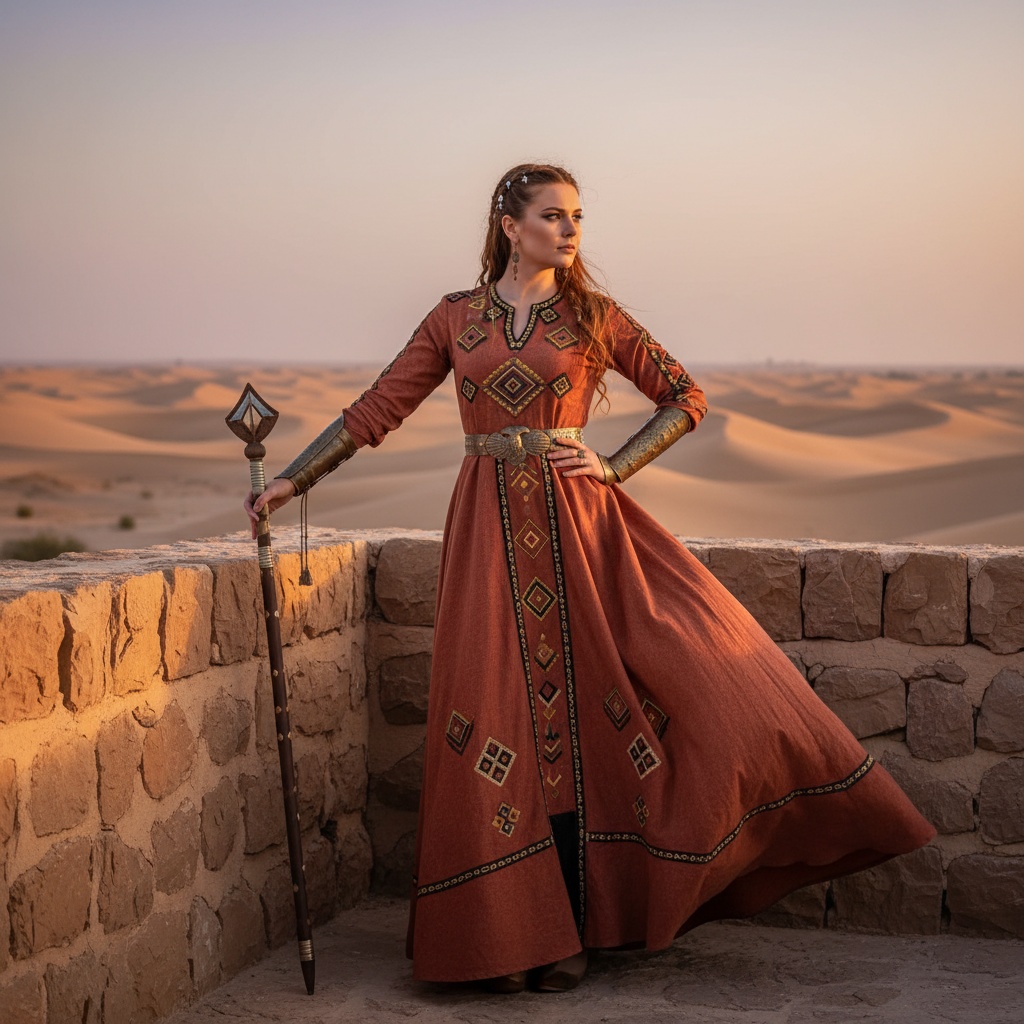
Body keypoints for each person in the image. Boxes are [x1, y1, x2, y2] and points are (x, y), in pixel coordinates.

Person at [246, 163, 935, 993]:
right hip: (485, 538)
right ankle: (501, 937)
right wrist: (291, 481)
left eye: (578, 217)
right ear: (510, 226)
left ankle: (576, 929)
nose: (571, 231)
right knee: (491, 715)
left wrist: (613, 466)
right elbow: (376, 409)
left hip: (583, 532)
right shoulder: (455, 319)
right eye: (553, 216)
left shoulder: (594, 318)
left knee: (584, 724)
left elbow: (685, 397)